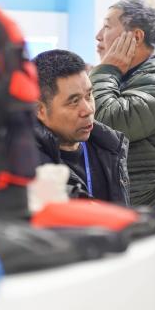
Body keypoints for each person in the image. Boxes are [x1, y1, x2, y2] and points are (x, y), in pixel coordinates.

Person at [91, 0, 155, 206]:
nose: (98, 35)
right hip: (126, 200)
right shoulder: (124, 77)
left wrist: (106, 70)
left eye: (107, 26)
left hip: (149, 204)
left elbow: (108, 123)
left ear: (136, 37)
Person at [33, 49, 130, 205]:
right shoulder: (26, 167)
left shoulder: (109, 147)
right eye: (74, 101)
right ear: (40, 110)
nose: (88, 109)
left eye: (89, 95)